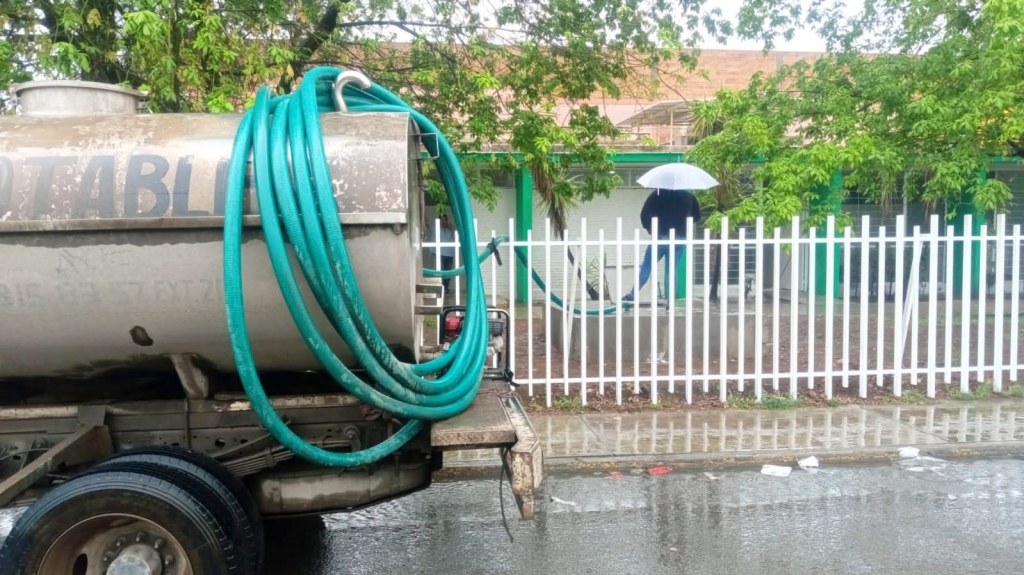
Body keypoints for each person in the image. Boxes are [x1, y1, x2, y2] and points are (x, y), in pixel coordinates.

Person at [622, 188, 701, 302]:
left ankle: (632, 295)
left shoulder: (658, 194)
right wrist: (683, 224)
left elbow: (644, 213)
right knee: (672, 270)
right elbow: (697, 216)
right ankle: (670, 301)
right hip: (679, 239)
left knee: (647, 267)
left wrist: (650, 228)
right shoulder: (689, 197)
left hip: (660, 237)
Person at [428, 213, 456, 292]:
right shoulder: (435, 227)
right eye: (442, 220)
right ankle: (440, 287)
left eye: (445, 220)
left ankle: (446, 288)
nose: (443, 222)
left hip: (449, 254)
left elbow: (457, 232)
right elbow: (426, 223)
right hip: (439, 253)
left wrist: (449, 226)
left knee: (448, 271)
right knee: (440, 270)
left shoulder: (450, 229)